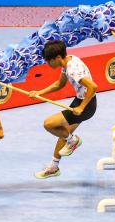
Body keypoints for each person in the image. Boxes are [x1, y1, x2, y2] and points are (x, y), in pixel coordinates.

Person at [32, 39, 98, 179]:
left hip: (86, 105)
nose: (48, 63)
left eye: (49, 61)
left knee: (49, 124)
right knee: (63, 133)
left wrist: (81, 107)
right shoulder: (68, 60)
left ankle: (73, 140)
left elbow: (93, 86)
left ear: (57, 57)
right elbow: (59, 84)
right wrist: (39, 92)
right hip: (81, 101)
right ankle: (54, 167)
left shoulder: (72, 69)